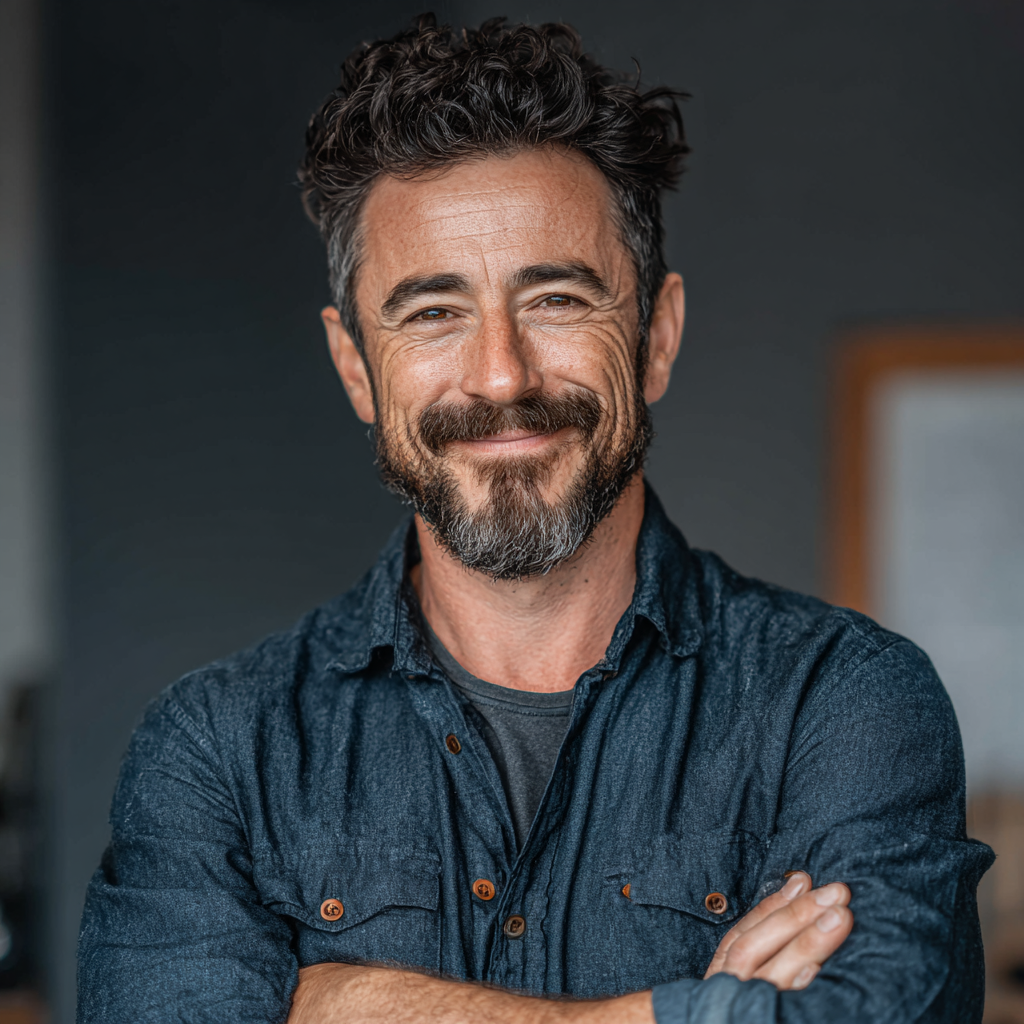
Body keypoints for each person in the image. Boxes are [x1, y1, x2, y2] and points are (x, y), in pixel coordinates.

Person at [76, 15, 993, 1024]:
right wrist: (692, 1009)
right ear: (354, 368)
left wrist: (342, 1002)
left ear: (655, 335)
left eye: (556, 298)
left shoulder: (844, 702)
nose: (500, 374)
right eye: (432, 312)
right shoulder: (216, 749)